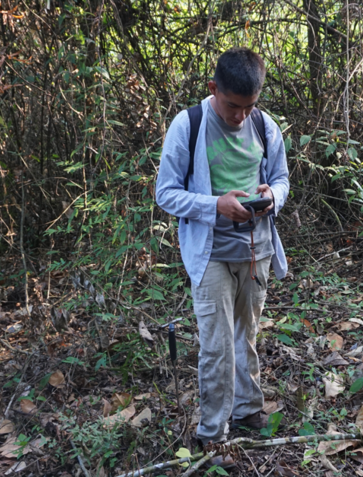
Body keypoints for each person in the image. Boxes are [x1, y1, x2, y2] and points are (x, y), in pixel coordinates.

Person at [155, 48, 290, 450]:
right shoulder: (189, 125)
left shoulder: (265, 125)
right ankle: (212, 435)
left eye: (249, 107)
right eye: (233, 106)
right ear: (214, 89)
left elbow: (282, 178)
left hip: (256, 248)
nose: (240, 117)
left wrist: (272, 196)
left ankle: (248, 409)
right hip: (212, 252)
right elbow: (166, 193)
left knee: (246, 334)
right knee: (216, 346)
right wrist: (214, 205)